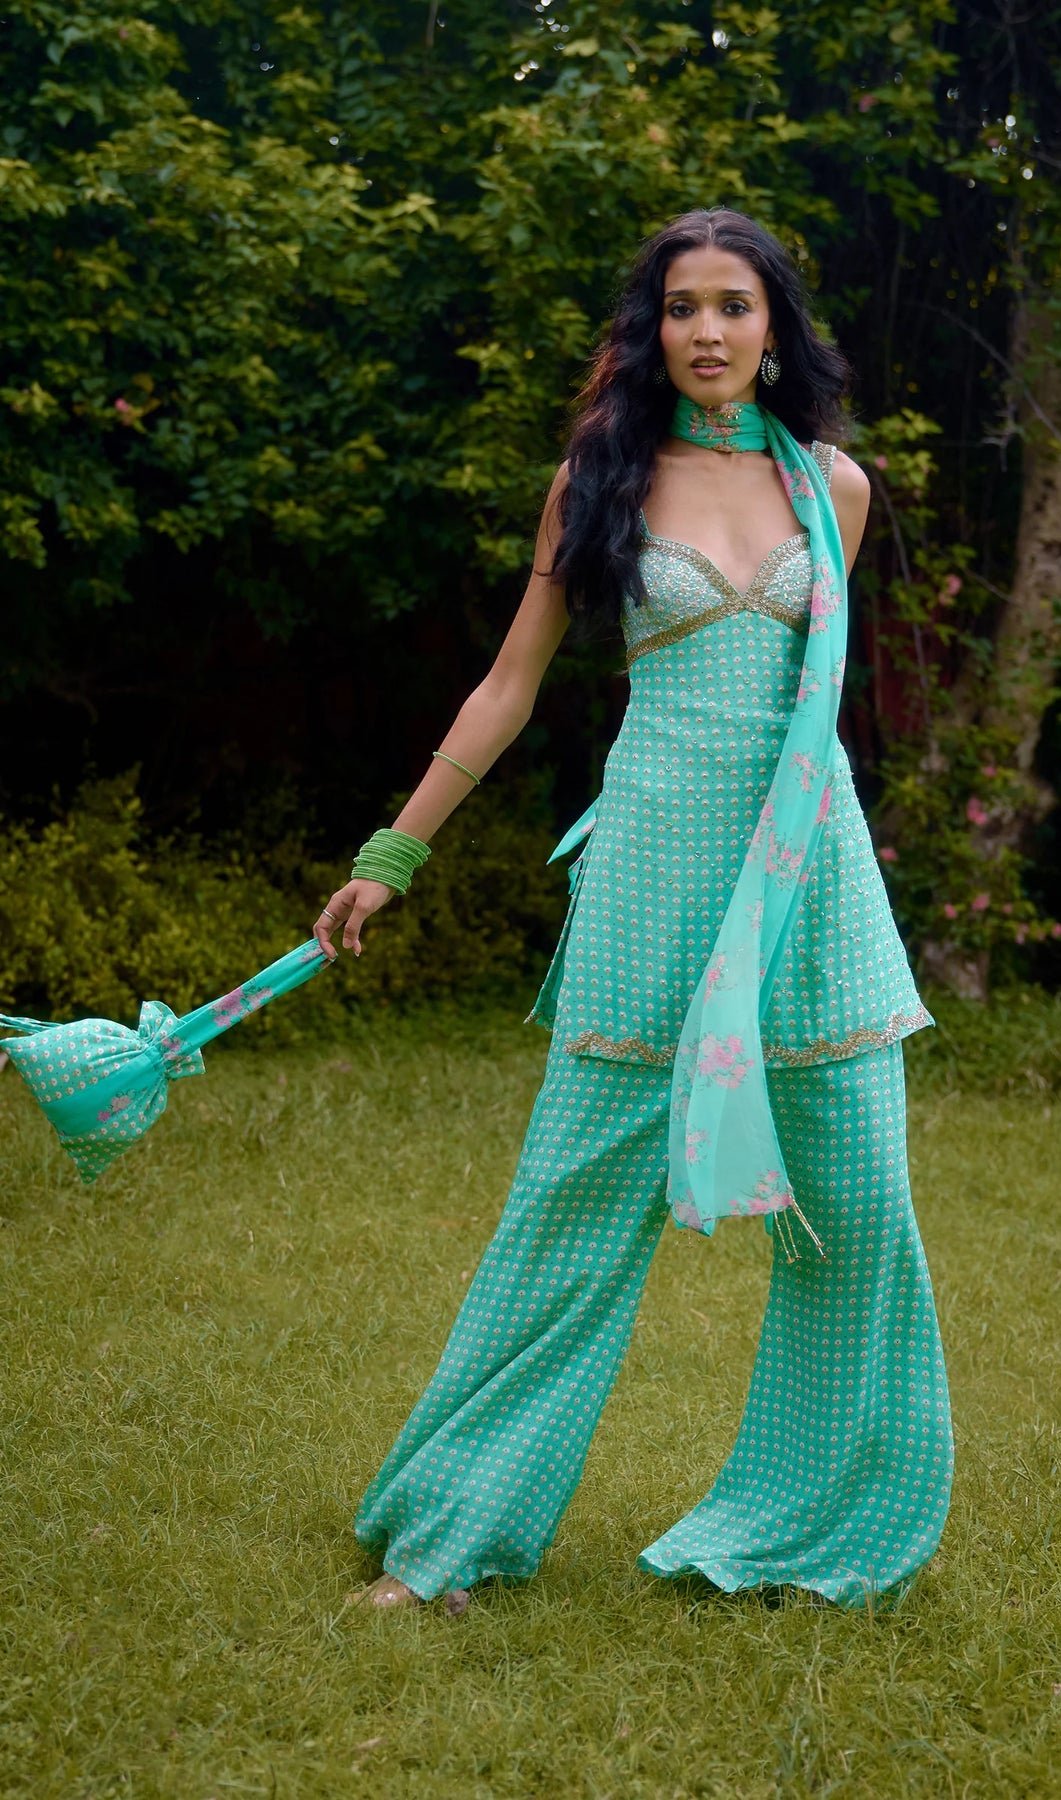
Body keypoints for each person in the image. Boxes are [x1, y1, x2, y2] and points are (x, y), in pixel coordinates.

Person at [314, 207, 953, 1616]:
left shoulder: (832, 488)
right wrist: (394, 852)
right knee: (571, 1213)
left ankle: (813, 1527)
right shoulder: (598, 478)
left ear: (774, 328)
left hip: (809, 887)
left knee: (859, 1211)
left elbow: (814, 707)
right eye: (680, 307)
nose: (706, 331)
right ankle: (449, 1534)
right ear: (649, 330)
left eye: (733, 304)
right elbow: (509, 684)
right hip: (652, 876)